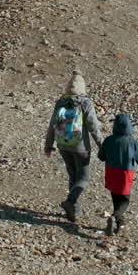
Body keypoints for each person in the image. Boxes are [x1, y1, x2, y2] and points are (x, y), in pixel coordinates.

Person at [43, 69, 104, 223]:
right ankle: (70, 202)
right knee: (83, 179)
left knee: (72, 176)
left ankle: (73, 213)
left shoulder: (60, 102)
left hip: (63, 145)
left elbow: (52, 126)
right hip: (80, 147)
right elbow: (93, 127)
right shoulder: (85, 103)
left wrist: (49, 145)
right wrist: (102, 145)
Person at [98, 114, 138, 236]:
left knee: (116, 199)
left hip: (111, 174)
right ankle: (115, 217)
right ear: (129, 127)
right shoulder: (132, 142)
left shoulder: (108, 140)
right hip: (125, 175)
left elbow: (101, 157)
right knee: (125, 201)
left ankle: (120, 223)